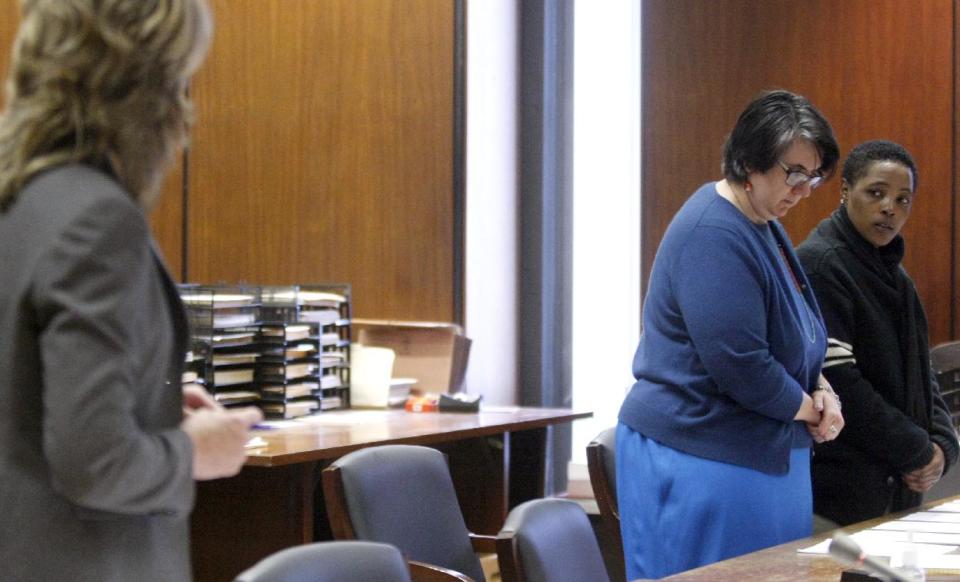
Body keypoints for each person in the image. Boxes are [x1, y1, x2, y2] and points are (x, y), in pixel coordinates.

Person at [0, 1, 263, 580]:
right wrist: (199, 453)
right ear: (145, 83)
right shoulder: (98, 219)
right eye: (180, 76)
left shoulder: (21, 199)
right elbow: (95, 462)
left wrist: (154, 390)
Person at [615, 89, 845, 579]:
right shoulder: (712, 232)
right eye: (794, 174)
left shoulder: (762, 220)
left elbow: (802, 335)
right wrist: (812, 409)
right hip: (700, 449)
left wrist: (822, 389)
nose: (804, 190)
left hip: (761, 451)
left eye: (814, 176)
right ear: (748, 161)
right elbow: (741, 363)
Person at [796, 140, 960, 526]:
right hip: (840, 495)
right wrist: (917, 451)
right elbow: (839, 383)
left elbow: (923, 376)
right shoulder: (822, 264)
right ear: (845, 191)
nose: (890, 208)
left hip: (897, 486)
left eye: (903, 199)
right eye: (876, 193)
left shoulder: (895, 275)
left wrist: (942, 446)